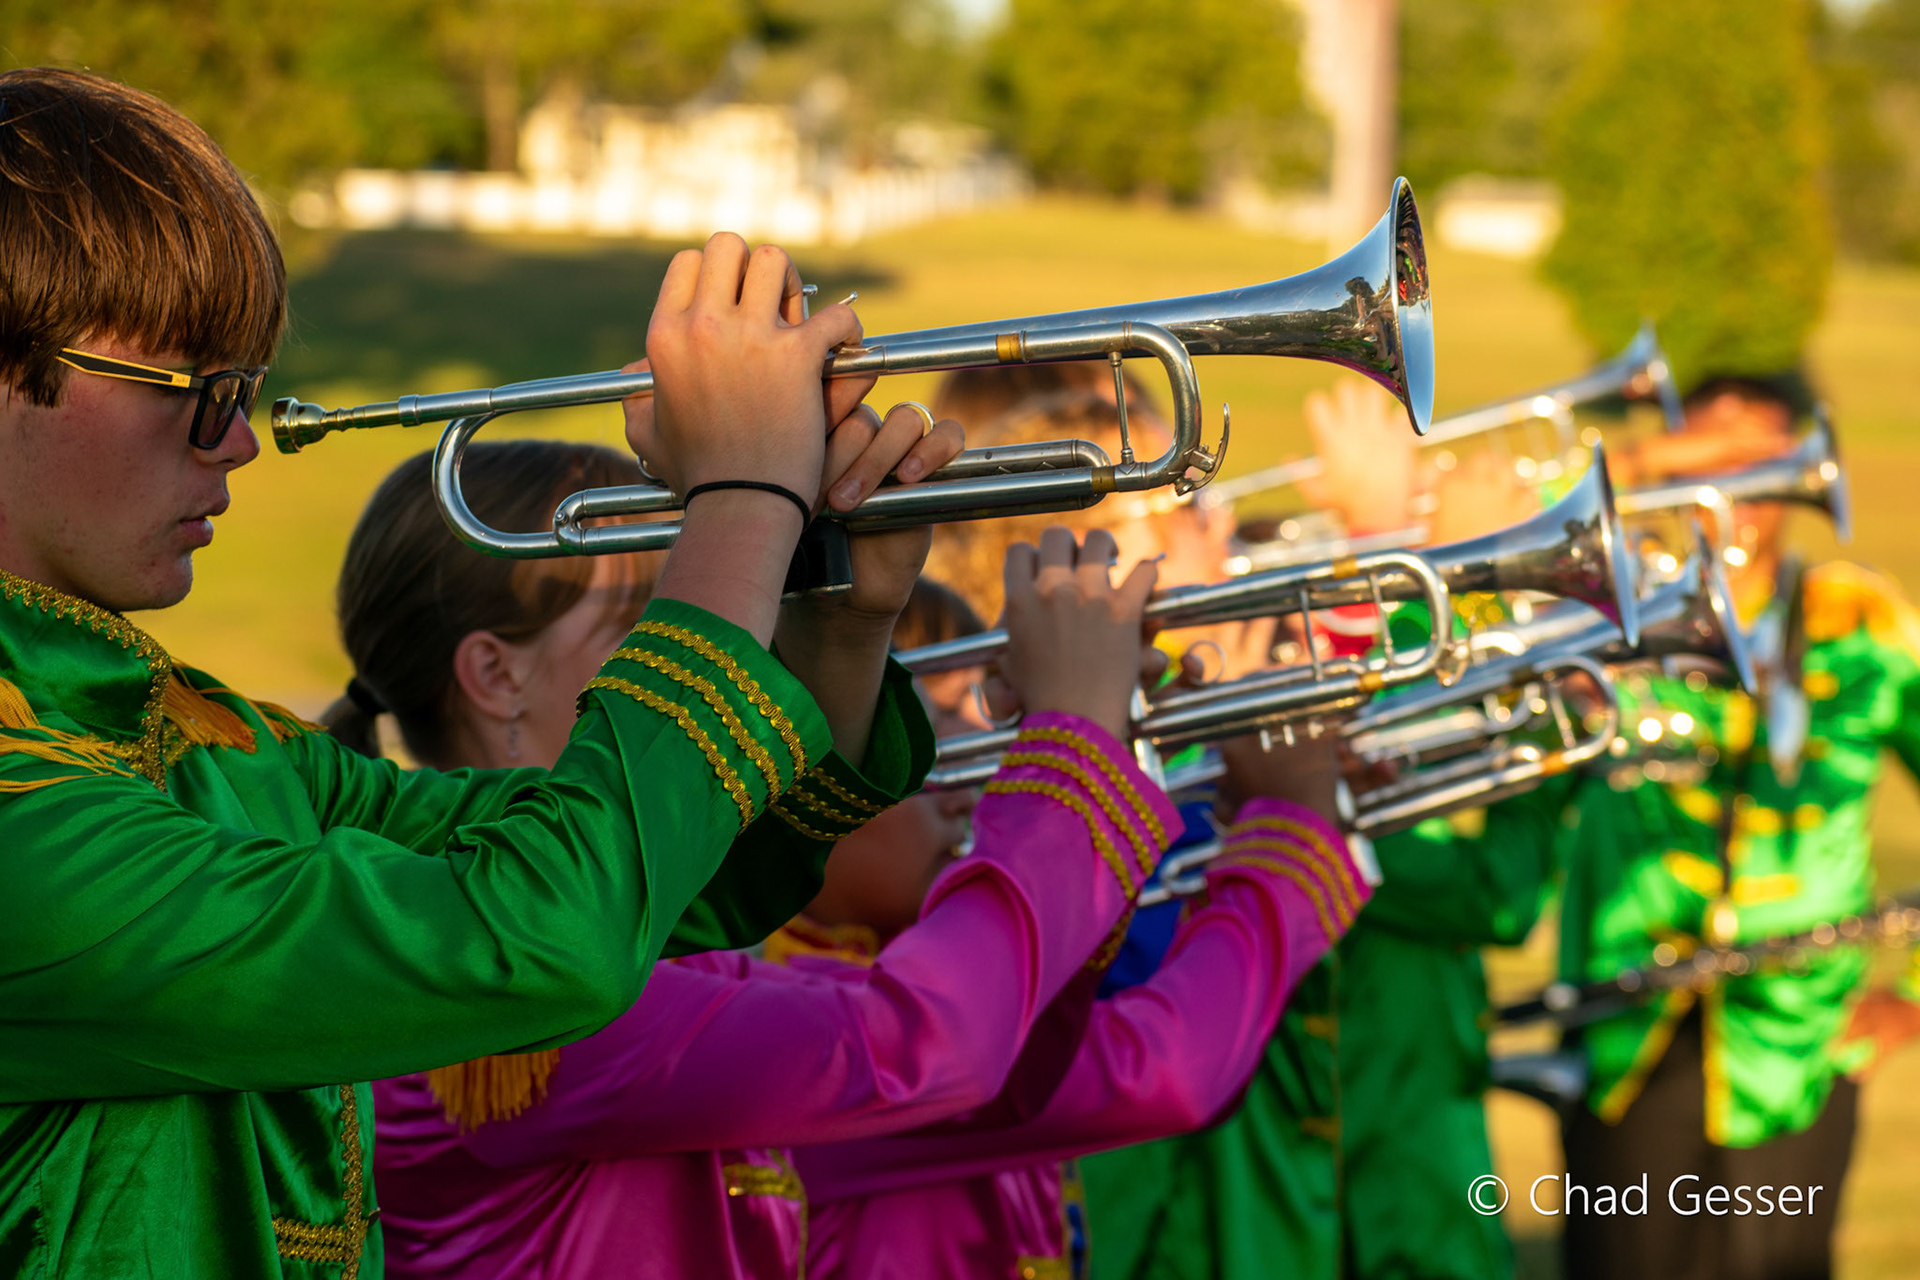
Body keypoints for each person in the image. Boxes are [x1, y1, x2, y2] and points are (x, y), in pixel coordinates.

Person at [0, 67, 959, 1278]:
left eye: (241, 392)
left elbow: (673, 874)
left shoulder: (199, 739)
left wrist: (833, 613)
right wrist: (738, 499)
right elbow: (543, 933)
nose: (238, 439)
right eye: (197, 392)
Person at [352, 463, 1189, 1279]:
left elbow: (991, 1087)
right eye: (653, 623)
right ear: (496, 676)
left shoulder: (626, 926)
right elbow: (928, 1045)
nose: (717, 645)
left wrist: (852, 621)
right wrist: (1072, 740)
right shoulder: (520, 956)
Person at [1548, 373, 1920, 1280]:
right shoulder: (1600, 611)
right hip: (1622, 1038)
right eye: (1714, 456)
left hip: (1796, 1049)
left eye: (1764, 463)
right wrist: (1639, 463)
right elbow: (1487, 552)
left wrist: (1913, 997)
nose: (1737, 485)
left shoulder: (1862, 624)